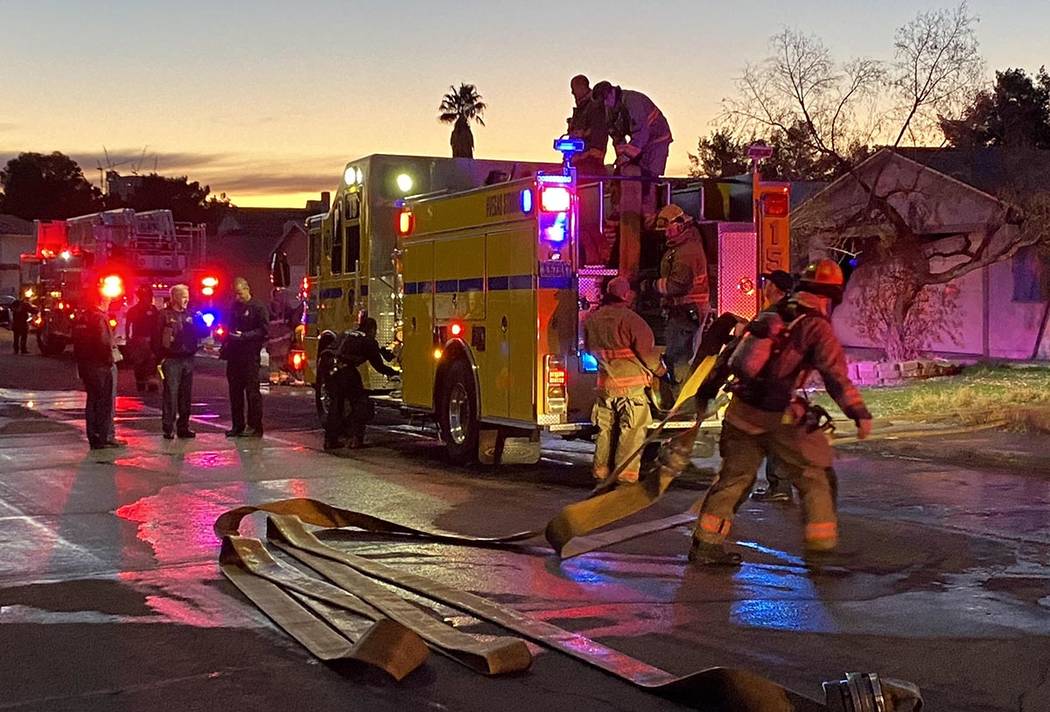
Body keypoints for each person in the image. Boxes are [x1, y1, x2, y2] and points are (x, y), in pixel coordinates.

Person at [689, 259, 872, 567]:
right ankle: (821, 552)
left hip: (740, 411)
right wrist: (858, 413)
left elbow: (730, 357)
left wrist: (706, 392)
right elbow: (835, 375)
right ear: (832, 296)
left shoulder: (769, 314)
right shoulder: (816, 325)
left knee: (735, 479)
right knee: (815, 476)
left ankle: (706, 546)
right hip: (777, 417)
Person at [583, 277, 665, 484]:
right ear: (626, 295)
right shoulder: (632, 320)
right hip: (631, 389)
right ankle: (625, 476)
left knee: (606, 429)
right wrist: (661, 371)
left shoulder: (592, 319)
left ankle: (601, 471)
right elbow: (647, 353)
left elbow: (588, 349)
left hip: (605, 386)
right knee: (632, 430)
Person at [647, 203, 710, 393]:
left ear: (680, 225)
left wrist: (650, 285)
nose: (666, 234)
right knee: (676, 354)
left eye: (669, 229)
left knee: (679, 357)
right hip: (683, 311)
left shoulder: (687, 251)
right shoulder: (680, 246)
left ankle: (681, 397)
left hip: (686, 312)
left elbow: (677, 285)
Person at [750, 270, 798, 503]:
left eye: (765, 282)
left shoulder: (771, 314)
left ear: (774, 288)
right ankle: (781, 486)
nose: (763, 286)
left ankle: (780, 487)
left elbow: (752, 348)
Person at [322, 317, 399, 450]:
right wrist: (396, 373)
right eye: (376, 331)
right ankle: (355, 439)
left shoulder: (348, 333)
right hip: (345, 370)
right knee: (361, 404)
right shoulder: (368, 341)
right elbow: (379, 366)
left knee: (336, 404)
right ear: (372, 329)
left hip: (328, 367)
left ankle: (330, 440)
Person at [72, 288, 123, 450]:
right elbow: (104, 343)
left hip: (86, 365)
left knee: (93, 401)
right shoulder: (100, 318)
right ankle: (105, 436)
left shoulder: (82, 318)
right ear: (101, 301)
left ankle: (94, 436)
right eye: (107, 301)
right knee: (106, 402)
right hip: (102, 366)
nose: (109, 304)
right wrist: (111, 360)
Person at [591, 81, 672, 181]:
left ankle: (651, 193)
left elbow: (641, 133)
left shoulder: (633, 102)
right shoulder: (610, 109)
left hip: (658, 139)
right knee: (632, 174)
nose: (605, 104)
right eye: (602, 103)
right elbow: (617, 136)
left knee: (650, 177)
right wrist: (621, 158)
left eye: (606, 99)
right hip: (641, 141)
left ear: (612, 92)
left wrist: (627, 157)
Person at [154, 284, 206, 439]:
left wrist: (200, 321)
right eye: (183, 296)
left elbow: (203, 332)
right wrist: (160, 357)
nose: (186, 300)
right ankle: (168, 427)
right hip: (171, 360)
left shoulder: (191, 314)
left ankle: (183, 427)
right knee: (171, 394)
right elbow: (156, 338)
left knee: (185, 395)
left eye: (187, 296)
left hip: (188, 358)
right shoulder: (164, 315)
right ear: (174, 297)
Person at [222, 277, 268, 438]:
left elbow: (264, 330)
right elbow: (227, 325)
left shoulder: (258, 307)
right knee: (235, 392)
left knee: (252, 392)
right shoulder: (234, 307)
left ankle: (255, 426)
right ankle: (237, 425)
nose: (237, 298)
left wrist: (246, 335)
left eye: (240, 294)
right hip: (234, 355)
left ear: (247, 289)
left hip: (249, 355)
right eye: (235, 294)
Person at [566, 74, 609, 177]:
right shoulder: (582, 109)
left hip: (589, 165)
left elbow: (598, 132)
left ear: (581, 87)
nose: (572, 93)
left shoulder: (595, 107)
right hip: (579, 163)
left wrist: (589, 155)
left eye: (574, 89)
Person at [125, 285, 160, 392]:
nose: (148, 298)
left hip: (150, 340)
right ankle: (143, 383)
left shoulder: (153, 309)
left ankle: (149, 383)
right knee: (141, 363)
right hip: (139, 340)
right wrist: (129, 339)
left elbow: (159, 324)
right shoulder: (135, 310)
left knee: (151, 362)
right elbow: (128, 325)